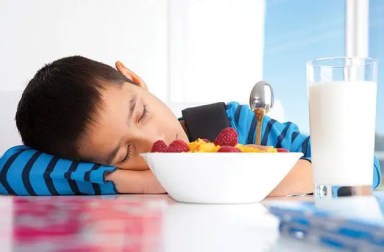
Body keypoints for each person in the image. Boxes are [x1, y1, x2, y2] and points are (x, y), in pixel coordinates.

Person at [0, 56, 381, 196]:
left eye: (141, 113)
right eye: (126, 152)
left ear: (134, 79)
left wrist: (276, 178)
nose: (154, 141)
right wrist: (146, 182)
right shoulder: (122, 177)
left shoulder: (237, 123)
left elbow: (368, 170)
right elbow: (10, 169)